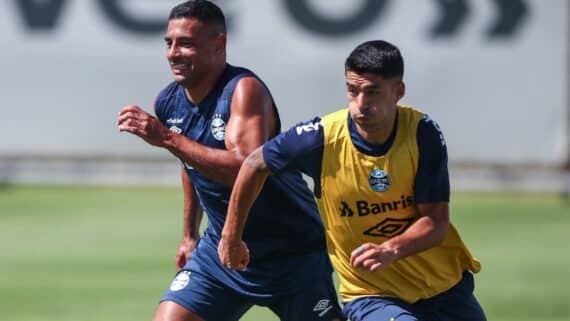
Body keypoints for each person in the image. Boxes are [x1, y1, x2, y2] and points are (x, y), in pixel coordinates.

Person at [219, 40, 487, 321]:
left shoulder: (422, 133)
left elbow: (435, 223)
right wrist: (231, 236)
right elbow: (253, 164)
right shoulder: (320, 138)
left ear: (398, 92)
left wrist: (389, 249)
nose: (361, 104)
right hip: (371, 295)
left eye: (372, 92)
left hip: (444, 288)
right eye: (353, 90)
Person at [117, 1, 344, 321]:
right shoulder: (168, 101)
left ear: (219, 43)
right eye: (169, 43)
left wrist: (167, 137)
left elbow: (243, 168)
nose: (173, 53)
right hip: (221, 251)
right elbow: (190, 163)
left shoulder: (243, 91)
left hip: (291, 252)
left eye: (186, 43)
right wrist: (189, 234)